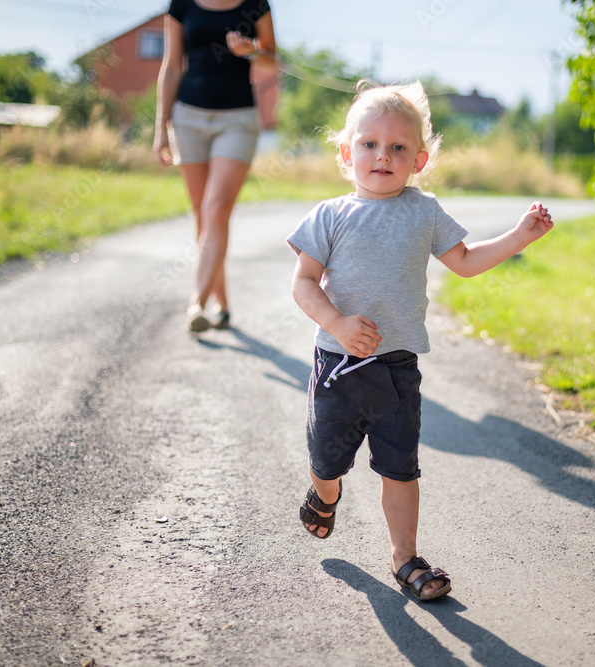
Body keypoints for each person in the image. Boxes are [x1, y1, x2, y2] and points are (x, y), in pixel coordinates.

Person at [287, 81, 554, 601]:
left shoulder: (424, 211)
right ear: (346, 153)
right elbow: (302, 283)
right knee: (327, 461)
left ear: (419, 160)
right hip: (339, 364)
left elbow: (467, 261)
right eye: (369, 144)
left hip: (397, 367)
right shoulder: (329, 215)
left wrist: (520, 236)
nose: (382, 156)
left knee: (400, 468)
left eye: (398, 147)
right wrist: (338, 323)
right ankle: (325, 494)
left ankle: (405, 557)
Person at [153, 0, 277, 332]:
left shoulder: (256, 5)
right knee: (201, 213)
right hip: (188, 117)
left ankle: (197, 302)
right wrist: (161, 128)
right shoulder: (181, 4)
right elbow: (172, 66)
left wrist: (251, 50)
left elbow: (272, 63)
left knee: (217, 208)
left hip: (237, 119)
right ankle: (221, 302)